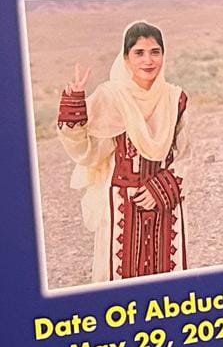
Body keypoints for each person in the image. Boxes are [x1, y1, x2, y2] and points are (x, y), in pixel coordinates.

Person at [57, 22, 190, 283]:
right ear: (126, 58)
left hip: (166, 205)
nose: (148, 60)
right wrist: (74, 101)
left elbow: (186, 155)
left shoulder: (175, 99)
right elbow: (88, 151)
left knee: (169, 288)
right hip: (119, 206)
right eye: (139, 53)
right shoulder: (111, 97)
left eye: (155, 51)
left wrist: (159, 191)